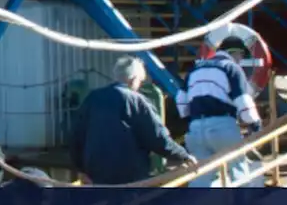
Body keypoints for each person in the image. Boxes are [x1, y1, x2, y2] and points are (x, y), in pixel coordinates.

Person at [71, 57, 195, 185]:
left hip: (96, 172)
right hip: (129, 174)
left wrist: (80, 169)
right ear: (133, 79)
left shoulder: (92, 98)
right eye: (140, 81)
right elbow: (157, 138)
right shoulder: (137, 101)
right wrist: (183, 155)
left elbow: (77, 136)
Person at [177, 37, 263, 187]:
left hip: (196, 129)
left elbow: (181, 100)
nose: (240, 61)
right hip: (223, 126)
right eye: (241, 57)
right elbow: (243, 101)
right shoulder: (232, 68)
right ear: (236, 53)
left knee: (201, 177)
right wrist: (255, 125)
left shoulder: (195, 69)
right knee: (238, 172)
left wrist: (190, 120)